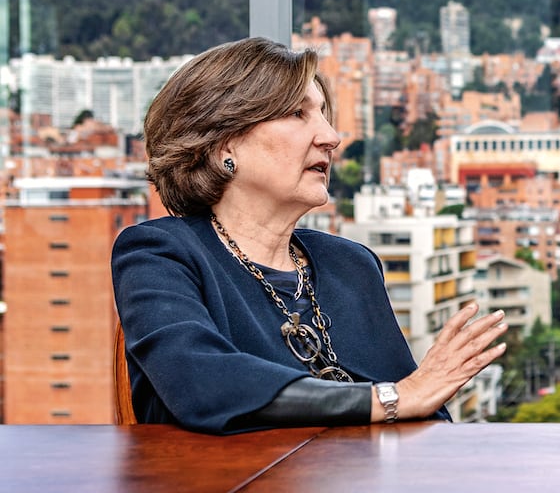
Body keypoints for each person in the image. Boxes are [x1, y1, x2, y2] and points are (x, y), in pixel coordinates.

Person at [113, 37, 507, 434]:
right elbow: (199, 382)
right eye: (298, 114)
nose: (331, 137)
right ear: (224, 144)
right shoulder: (159, 254)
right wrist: (393, 398)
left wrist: (412, 397)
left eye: (323, 114)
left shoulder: (352, 264)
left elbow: (420, 408)